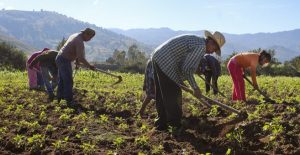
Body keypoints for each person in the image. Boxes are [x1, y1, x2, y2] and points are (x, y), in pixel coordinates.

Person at [151, 30, 225, 131]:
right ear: (211, 42)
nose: (212, 52)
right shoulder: (200, 47)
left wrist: (182, 82)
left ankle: (161, 124)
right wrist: (195, 87)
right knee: (174, 94)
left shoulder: (198, 41)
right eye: (214, 49)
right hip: (166, 61)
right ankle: (175, 126)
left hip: (159, 56)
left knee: (162, 94)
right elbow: (187, 69)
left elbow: (182, 64)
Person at [55, 28, 96, 106]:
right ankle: (69, 101)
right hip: (64, 60)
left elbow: (75, 52)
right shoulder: (79, 41)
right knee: (68, 81)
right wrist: (89, 66)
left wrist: (77, 61)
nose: (90, 39)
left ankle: (59, 99)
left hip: (60, 58)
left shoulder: (75, 35)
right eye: (90, 37)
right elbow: (81, 58)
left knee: (62, 81)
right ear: (86, 34)